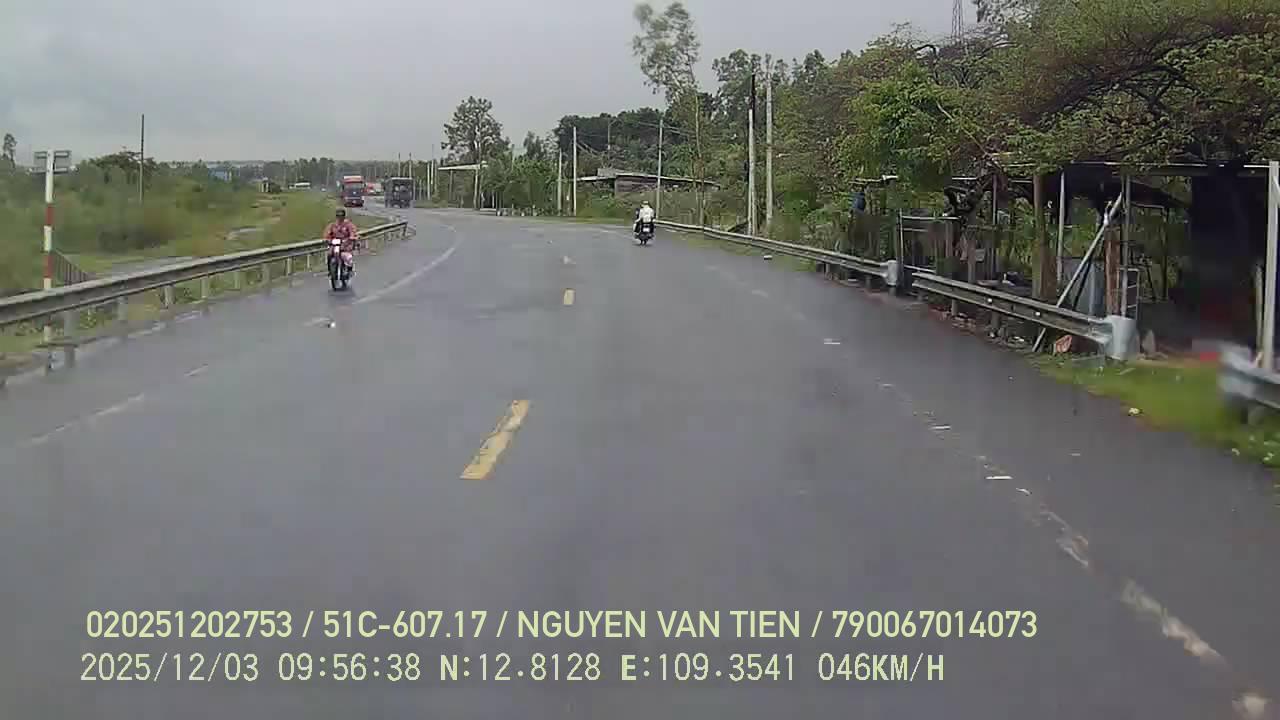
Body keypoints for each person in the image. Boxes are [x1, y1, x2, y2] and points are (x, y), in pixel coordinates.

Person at [324, 208, 361, 276]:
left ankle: (350, 270)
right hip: (335, 244)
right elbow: (327, 233)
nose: (340, 218)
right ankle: (330, 270)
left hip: (346, 245)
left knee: (348, 257)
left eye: (341, 216)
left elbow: (353, 232)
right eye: (338, 216)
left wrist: (352, 237)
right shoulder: (333, 225)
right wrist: (327, 239)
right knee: (329, 254)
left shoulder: (348, 225)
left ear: (344, 216)